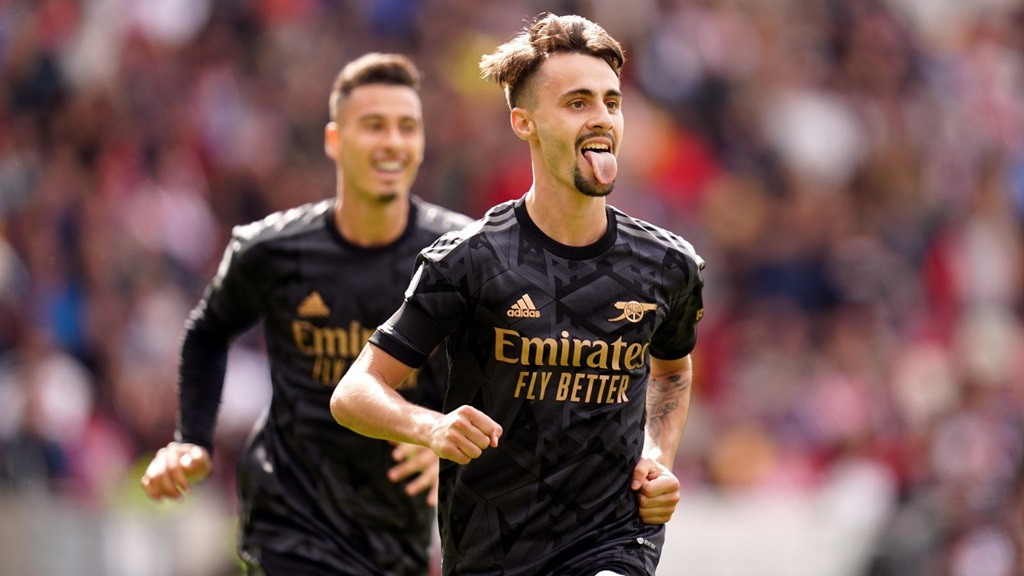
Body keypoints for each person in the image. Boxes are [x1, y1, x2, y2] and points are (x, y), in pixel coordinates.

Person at [330, 13, 705, 576]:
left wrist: (657, 456)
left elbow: (672, 370)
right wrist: (430, 427)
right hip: (491, 556)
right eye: (577, 102)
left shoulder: (668, 265)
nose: (602, 118)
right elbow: (354, 391)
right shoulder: (469, 261)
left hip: (614, 543)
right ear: (524, 122)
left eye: (612, 102)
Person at [140, 53, 473, 576]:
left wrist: (442, 443)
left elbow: (501, 365)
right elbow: (207, 332)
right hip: (290, 518)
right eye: (374, 125)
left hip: (398, 530)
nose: (393, 142)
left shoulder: (462, 254)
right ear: (334, 140)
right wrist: (192, 439)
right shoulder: (271, 249)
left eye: (407, 127)